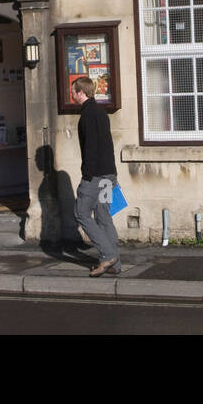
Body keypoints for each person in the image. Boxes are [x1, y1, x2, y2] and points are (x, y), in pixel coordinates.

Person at [72, 76, 120, 276]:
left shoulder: (87, 115)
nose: (71, 94)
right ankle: (115, 264)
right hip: (109, 175)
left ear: (81, 92)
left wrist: (87, 176)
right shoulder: (101, 112)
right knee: (103, 216)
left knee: (81, 213)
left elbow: (91, 147)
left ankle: (108, 255)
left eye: (73, 91)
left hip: (96, 176)